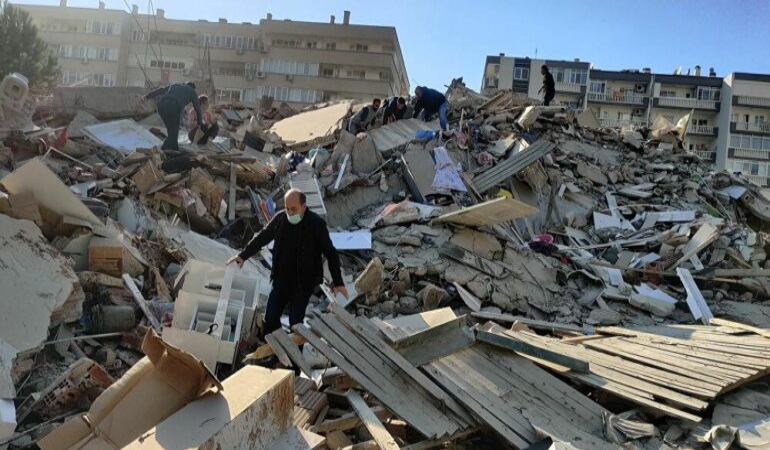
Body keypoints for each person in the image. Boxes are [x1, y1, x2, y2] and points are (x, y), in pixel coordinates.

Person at [227, 189, 349, 337]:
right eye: (287, 208)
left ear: (303, 207)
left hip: (302, 284)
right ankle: (274, 355)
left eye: (294, 209)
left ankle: (294, 358)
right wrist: (243, 256)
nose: (290, 213)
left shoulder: (316, 224)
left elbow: (330, 253)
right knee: (270, 318)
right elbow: (263, 237)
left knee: (296, 325)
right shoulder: (281, 219)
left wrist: (338, 282)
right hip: (281, 280)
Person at [144, 81, 206, 151]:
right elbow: (197, 108)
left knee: (171, 132)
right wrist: (199, 122)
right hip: (173, 107)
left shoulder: (176, 85)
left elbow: (161, 90)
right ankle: (165, 151)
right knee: (173, 133)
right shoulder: (192, 91)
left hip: (161, 106)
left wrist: (147, 96)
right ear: (193, 88)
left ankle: (171, 150)